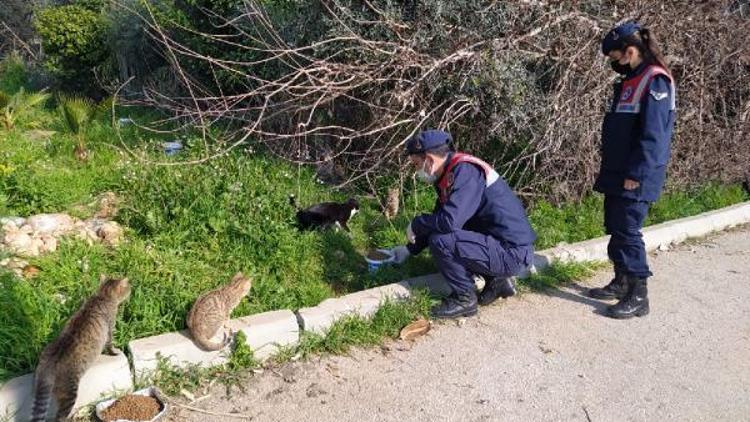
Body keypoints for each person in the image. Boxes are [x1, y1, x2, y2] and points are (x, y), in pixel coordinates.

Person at [387, 130, 536, 319]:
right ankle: (497, 281)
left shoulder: (466, 172)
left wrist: (417, 223)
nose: (416, 171)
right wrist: (409, 249)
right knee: (443, 231)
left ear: (430, 159)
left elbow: (449, 222)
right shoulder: (450, 173)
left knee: (441, 240)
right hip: (503, 246)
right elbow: (440, 217)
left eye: (417, 164)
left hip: (512, 253)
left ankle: (464, 298)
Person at [587, 22, 677, 319]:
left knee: (627, 231)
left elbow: (654, 138)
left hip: (635, 175)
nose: (613, 62)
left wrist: (635, 175)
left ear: (630, 50)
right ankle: (621, 280)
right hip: (617, 171)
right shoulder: (631, 80)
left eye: (614, 56)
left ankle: (639, 295)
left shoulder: (655, 81)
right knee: (615, 226)